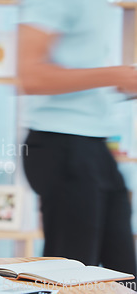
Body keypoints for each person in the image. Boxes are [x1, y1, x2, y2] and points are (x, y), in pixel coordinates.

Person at [19, 0, 137, 277]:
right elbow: (31, 76)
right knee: (70, 276)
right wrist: (116, 75)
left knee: (125, 277)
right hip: (61, 144)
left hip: (93, 145)